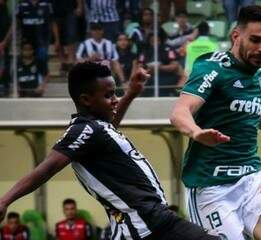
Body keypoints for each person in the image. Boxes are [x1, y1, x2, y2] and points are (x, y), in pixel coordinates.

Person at [0, 62, 220, 240]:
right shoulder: (83, 131)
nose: (115, 99)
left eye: (116, 93)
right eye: (108, 96)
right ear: (86, 100)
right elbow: (48, 167)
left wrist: (132, 93)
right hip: (149, 222)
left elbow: (109, 125)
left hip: (148, 221)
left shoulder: (96, 128)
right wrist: (5, 201)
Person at [170, 5, 261, 240]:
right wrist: (196, 132)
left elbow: (256, 110)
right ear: (236, 36)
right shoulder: (213, 67)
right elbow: (180, 111)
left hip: (250, 179)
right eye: (255, 40)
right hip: (211, 187)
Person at [16, 0, 60, 72]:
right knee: (27, 63)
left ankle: (42, 81)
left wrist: (57, 39)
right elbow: (15, 23)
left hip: (42, 40)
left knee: (42, 62)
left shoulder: (47, 5)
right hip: (26, 40)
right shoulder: (21, 5)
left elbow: (53, 22)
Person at [138, 30, 181, 97]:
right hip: (149, 77)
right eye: (152, 41)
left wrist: (160, 67)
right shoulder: (145, 51)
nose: (155, 43)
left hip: (167, 77)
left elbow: (174, 66)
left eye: (157, 40)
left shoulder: (168, 49)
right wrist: (149, 70)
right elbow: (139, 68)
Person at [54, 0, 84, 73]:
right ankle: (63, 62)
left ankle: (70, 61)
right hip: (55, 9)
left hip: (70, 9)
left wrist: (79, 6)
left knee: (71, 35)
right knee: (58, 37)